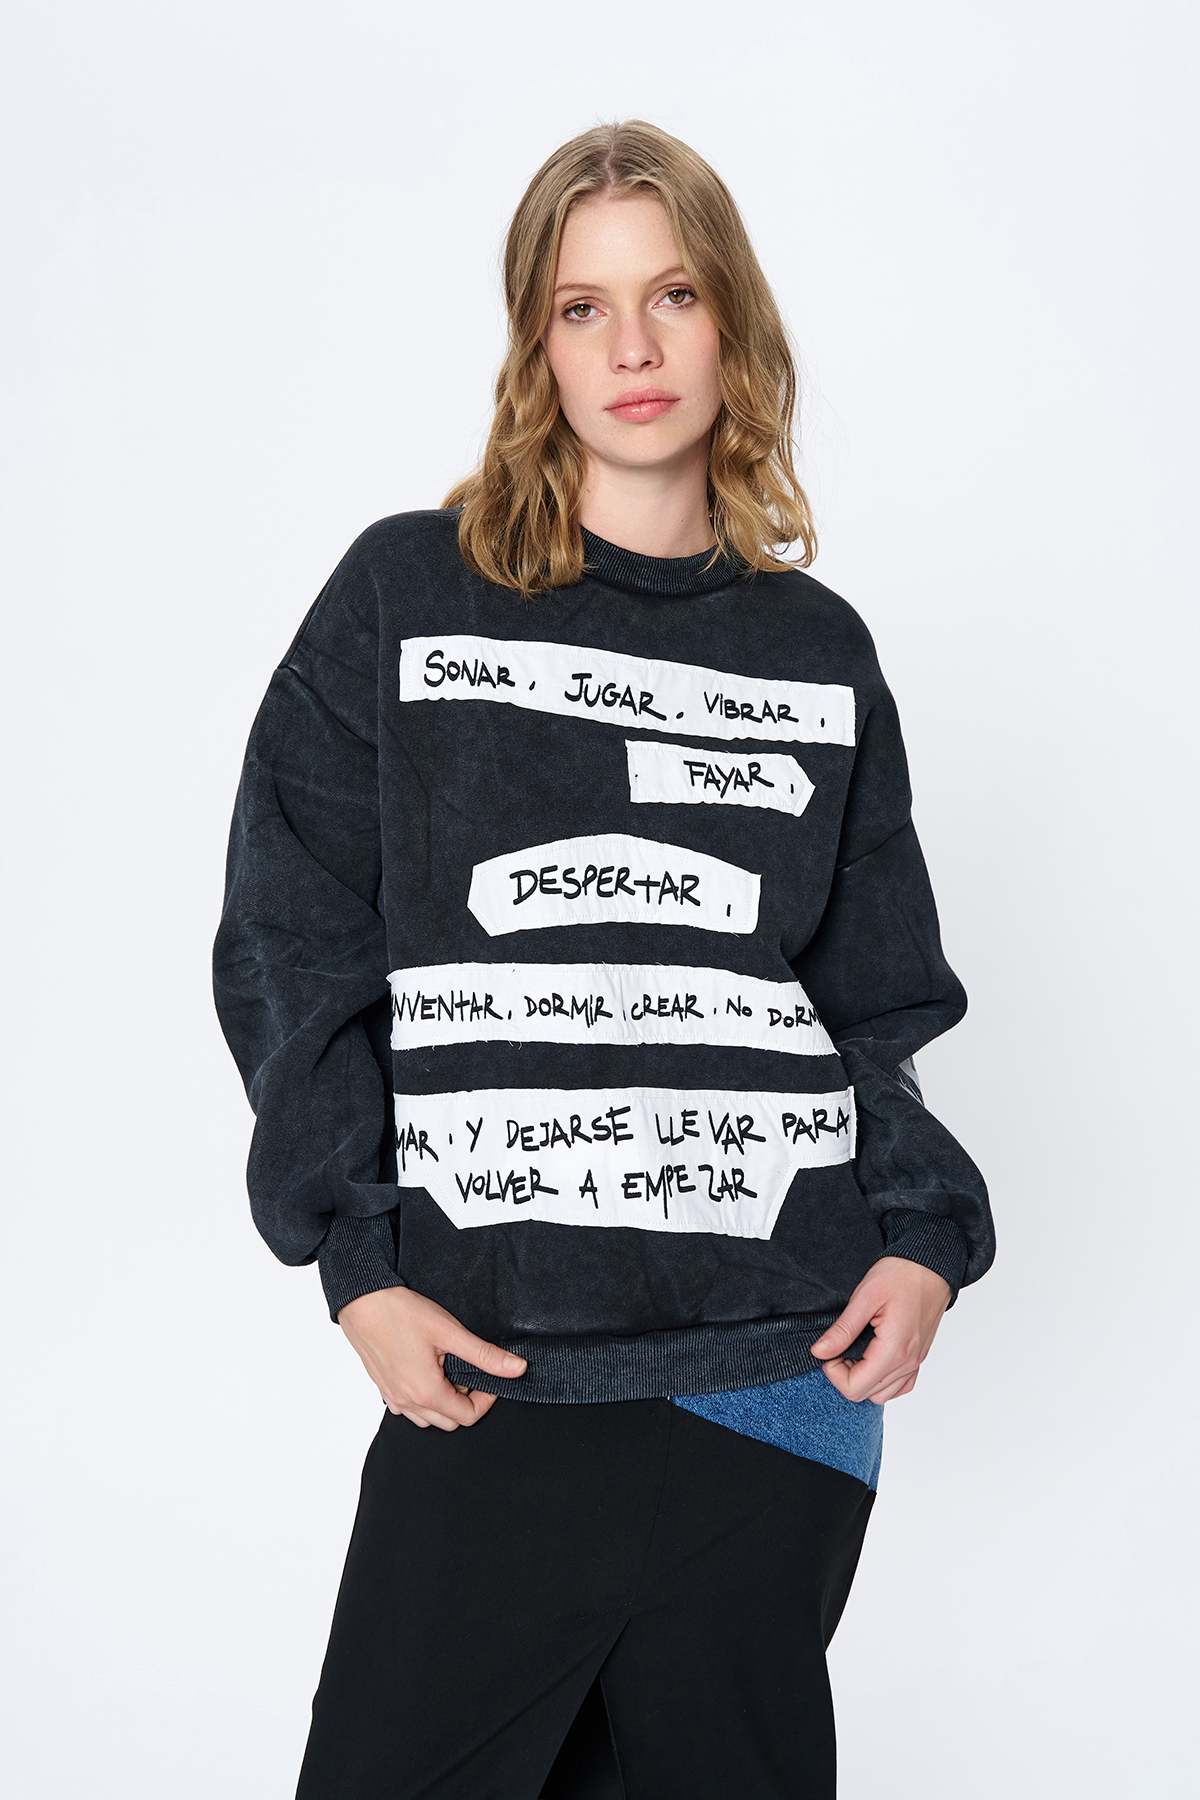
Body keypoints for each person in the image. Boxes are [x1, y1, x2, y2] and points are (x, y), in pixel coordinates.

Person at [214, 119, 994, 1800]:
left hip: (775, 1389)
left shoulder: (814, 648)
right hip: (493, 1377)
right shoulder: (406, 596)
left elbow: (872, 1000)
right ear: (537, 343)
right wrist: (353, 1256)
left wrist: (926, 1239)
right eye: (584, 307)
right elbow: (291, 939)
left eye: (674, 295)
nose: (633, 347)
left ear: (734, 324)